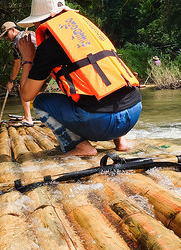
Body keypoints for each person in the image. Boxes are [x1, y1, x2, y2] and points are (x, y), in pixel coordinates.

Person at [16, 0, 142, 156]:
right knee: (103, 86)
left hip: (102, 123)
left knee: (40, 102)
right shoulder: (88, 33)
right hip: (134, 110)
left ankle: (82, 147)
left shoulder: (49, 46)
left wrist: (28, 59)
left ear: (41, 20)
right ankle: (120, 141)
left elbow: (26, 94)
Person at [0, 21, 37, 125]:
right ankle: (39, 114)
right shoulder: (30, 33)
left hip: (37, 63)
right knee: (35, 91)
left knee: (23, 88)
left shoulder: (17, 42)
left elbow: (17, 65)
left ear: (12, 29)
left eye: (6, 34)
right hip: (47, 63)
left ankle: (28, 118)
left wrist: (11, 81)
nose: (6, 38)